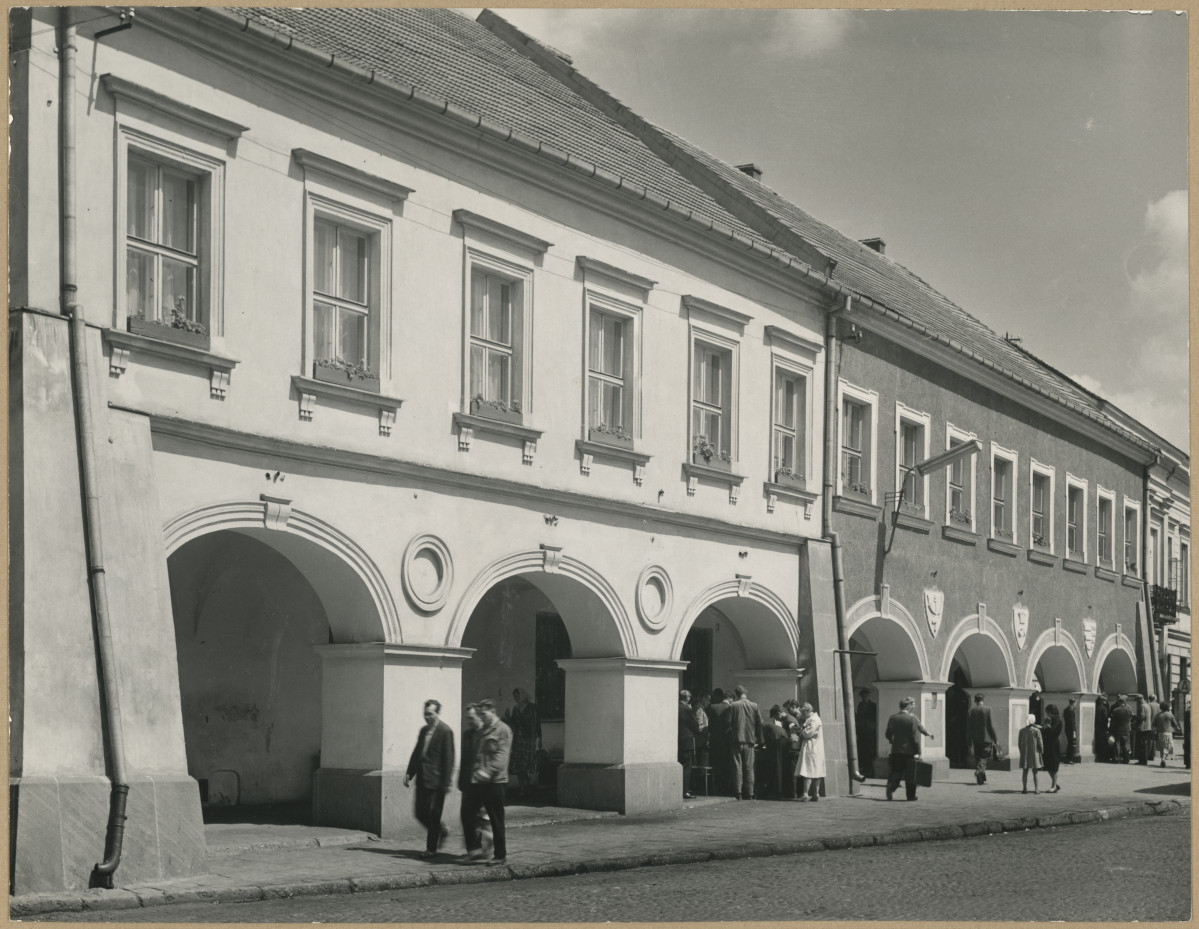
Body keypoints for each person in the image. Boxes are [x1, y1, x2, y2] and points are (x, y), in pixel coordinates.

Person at [459, 699, 512, 866]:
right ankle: (475, 849)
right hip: (479, 781)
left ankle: (500, 855)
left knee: (496, 819)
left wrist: (486, 771)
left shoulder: (503, 730)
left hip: (495, 782)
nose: (482, 717)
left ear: (492, 712)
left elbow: (501, 759)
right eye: (480, 714)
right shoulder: (484, 730)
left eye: (484, 714)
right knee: (467, 811)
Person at [403, 698, 455, 859]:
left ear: (438, 713)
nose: (427, 717)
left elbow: (449, 759)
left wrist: (446, 782)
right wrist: (409, 773)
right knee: (419, 812)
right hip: (422, 779)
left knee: (433, 815)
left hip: (437, 781)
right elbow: (417, 752)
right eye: (425, 714)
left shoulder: (445, 731)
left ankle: (431, 849)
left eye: (430, 714)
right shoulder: (423, 730)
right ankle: (441, 830)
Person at [884, 696, 933, 802]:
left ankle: (891, 787)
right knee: (911, 774)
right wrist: (918, 751)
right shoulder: (912, 718)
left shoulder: (893, 718)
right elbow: (914, 738)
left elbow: (888, 733)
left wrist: (892, 740)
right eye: (912, 705)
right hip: (909, 751)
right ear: (909, 706)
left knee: (896, 771)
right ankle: (910, 796)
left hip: (896, 750)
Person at [726, 685, 763, 800]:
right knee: (749, 767)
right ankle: (750, 792)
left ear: (737, 694)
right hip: (750, 740)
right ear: (746, 693)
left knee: (737, 766)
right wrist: (759, 738)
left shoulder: (733, 705)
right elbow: (760, 723)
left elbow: (728, 723)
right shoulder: (754, 706)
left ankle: (738, 792)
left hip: (736, 739)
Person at [503, 687, 541, 797]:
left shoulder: (532, 708)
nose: (515, 698)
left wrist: (540, 738)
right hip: (518, 740)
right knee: (519, 765)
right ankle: (522, 788)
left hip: (529, 740)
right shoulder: (515, 709)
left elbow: (537, 723)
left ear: (523, 696)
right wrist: (508, 717)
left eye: (517, 695)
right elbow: (513, 724)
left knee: (527, 765)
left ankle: (528, 785)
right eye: (514, 696)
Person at [795, 703, 826, 801]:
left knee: (807, 770)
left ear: (808, 711)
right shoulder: (813, 719)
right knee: (816, 771)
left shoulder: (814, 720)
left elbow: (807, 733)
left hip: (812, 747)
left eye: (804, 713)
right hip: (815, 748)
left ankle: (806, 794)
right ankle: (816, 793)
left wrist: (800, 731)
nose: (803, 715)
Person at [966, 692, 999, 785]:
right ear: (983, 700)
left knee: (978, 757)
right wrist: (995, 738)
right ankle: (978, 771)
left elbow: (968, 728)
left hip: (975, 739)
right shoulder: (988, 709)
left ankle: (981, 779)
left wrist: (968, 740)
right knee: (983, 757)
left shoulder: (971, 711)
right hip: (986, 737)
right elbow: (991, 726)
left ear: (975, 701)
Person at [705, 688, 731, 795]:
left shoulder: (711, 707)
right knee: (725, 765)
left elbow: (707, 723)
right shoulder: (729, 707)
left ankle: (713, 787)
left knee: (714, 764)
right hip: (725, 741)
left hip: (714, 740)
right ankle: (724, 787)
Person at [678, 689, 700, 799]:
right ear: (687, 698)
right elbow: (695, 726)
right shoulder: (687, 709)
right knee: (687, 767)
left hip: (677, 741)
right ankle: (685, 790)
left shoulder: (676, 707)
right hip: (686, 741)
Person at [1018, 713, 1044, 794]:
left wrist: (1022, 751)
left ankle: (1024, 788)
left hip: (1025, 753)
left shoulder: (1022, 731)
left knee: (1025, 771)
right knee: (1035, 771)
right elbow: (1040, 743)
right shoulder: (1037, 731)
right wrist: (1041, 751)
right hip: (1034, 753)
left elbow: (1019, 743)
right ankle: (1036, 789)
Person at [1040, 704, 1063, 793]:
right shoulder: (1052, 720)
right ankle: (1055, 783)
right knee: (1048, 766)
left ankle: (1053, 787)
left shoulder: (1058, 721)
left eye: (1047, 712)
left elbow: (1052, 733)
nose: (1047, 714)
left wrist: (1047, 726)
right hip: (1048, 744)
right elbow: (1046, 731)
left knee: (1053, 766)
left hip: (1053, 745)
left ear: (1051, 712)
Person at [855, 689, 878, 777]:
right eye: (862, 696)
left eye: (865, 696)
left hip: (870, 730)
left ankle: (869, 768)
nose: (863, 697)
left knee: (870, 749)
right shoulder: (860, 705)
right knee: (862, 749)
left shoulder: (873, 705)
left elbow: (873, 717)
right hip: (861, 730)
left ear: (868, 696)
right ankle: (864, 767)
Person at [1154, 701, 1181, 767]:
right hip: (1168, 733)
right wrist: (1178, 728)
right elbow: (1175, 724)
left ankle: (1162, 759)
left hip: (1160, 733)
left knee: (1162, 747)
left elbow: (1154, 725)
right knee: (1168, 746)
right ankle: (1163, 759)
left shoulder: (1157, 715)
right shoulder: (1169, 714)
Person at [1108, 695, 1133, 764]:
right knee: (1126, 745)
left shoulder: (1115, 710)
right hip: (1126, 729)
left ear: (1119, 702)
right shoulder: (1129, 710)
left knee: (1117, 744)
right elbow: (1131, 719)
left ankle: (1116, 759)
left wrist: (1111, 730)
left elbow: (1113, 721)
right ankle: (1126, 759)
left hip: (1117, 730)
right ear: (1125, 702)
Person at [1137, 694, 1157, 765]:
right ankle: (1145, 759)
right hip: (1148, 727)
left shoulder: (1142, 706)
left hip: (1142, 727)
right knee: (1146, 744)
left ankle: (1142, 760)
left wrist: (1136, 718)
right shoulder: (1147, 706)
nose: (1137, 702)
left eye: (1137, 700)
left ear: (1140, 699)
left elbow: (1142, 716)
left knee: (1141, 745)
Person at [1094, 693, 1110, 762]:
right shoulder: (1104, 708)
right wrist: (1106, 727)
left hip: (1097, 727)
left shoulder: (1096, 707)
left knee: (1098, 742)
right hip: (1102, 728)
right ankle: (1104, 758)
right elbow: (1105, 719)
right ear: (1103, 701)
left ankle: (1099, 756)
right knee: (1104, 743)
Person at [1062, 698, 1077, 764]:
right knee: (1071, 744)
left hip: (1067, 729)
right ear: (1073, 703)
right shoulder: (1071, 711)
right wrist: (1074, 731)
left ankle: (1068, 758)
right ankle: (1069, 758)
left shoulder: (1066, 710)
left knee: (1070, 744)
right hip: (1071, 730)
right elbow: (1072, 722)